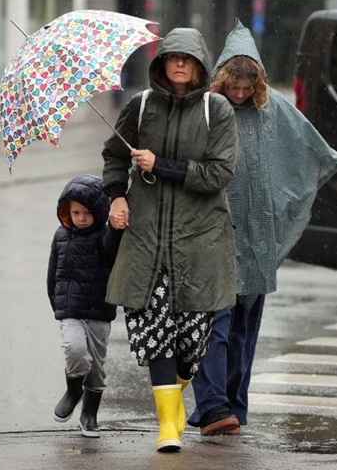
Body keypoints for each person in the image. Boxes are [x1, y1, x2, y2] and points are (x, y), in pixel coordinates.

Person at [188, 20, 337, 436]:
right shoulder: (204, 109)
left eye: (246, 87)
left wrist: (286, 202)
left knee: (243, 332)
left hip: (257, 237)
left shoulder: (271, 108)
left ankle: (234, 406)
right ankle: (212, 406)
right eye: (233, 87)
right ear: (222, 79)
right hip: (214, 234)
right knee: (214, 326)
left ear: (255, 82)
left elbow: (310, 152)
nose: (239, 94)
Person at [101, 27, 239, 453]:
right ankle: (167, 424)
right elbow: (113, 157)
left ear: (199, 66)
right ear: (160, 64)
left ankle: (176, 399)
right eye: (172, 57)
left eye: (188, 58)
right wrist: (117, 196)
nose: (180, 64)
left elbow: (218, 174)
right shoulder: (140, 108)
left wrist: (162, 165)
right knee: (154, 329)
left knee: (192, 341)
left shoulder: (217, 111)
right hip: (147, 242)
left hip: (200, 242)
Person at [47, 174, 124, 438]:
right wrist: (58, 305)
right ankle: (73, 389)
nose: (80, 217)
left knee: (97, 367)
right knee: (74, 348)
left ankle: (89, 415)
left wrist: (115, 228)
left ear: (99, 212)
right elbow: (53, 274)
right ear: (66, 211)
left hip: (99, 312)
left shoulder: (104, 236)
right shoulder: (61, 236)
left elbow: (113, 252)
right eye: (75, 212)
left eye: (87, 213)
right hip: (71, 310)